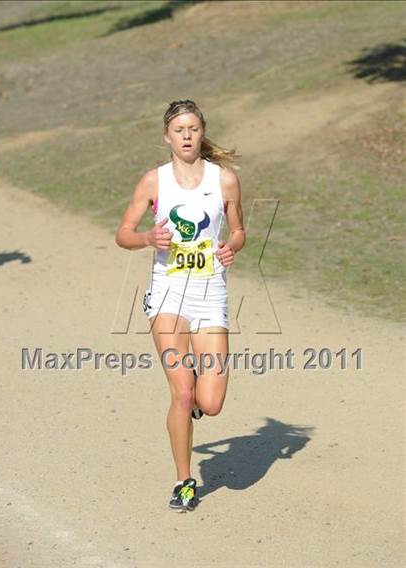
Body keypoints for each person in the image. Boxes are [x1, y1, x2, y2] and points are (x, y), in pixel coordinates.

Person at [115, 99, 245, 512]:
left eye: (192, 129)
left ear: (202, 132)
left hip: (211, 293)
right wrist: (148, 239)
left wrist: (231, 248)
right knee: (183, 395)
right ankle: (184, 481)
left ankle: (195, 404)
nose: (186, 136)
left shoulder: (224, 180)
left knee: (211, 403)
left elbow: (239, 230)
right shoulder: (154, 182)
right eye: (179, 130)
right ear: (167, 136)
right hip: (169, 293)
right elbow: (123, 233)